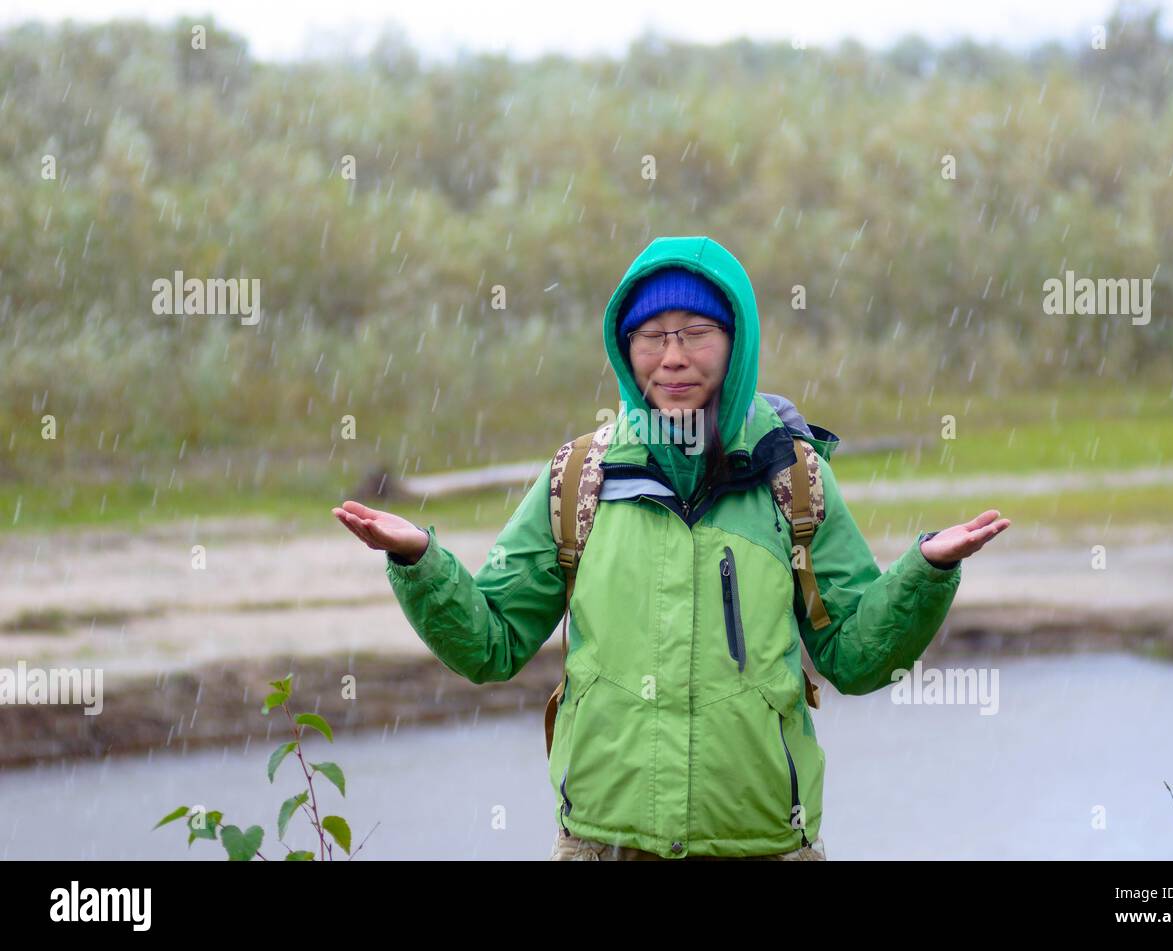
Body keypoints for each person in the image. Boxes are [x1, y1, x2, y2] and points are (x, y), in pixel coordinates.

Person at [333, 235, 1010, 860]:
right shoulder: (578, 480)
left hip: (764, 843)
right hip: (602, 843)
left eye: (696, 333)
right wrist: (420, 559)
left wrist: (926, 571)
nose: (674, 356)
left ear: (736, 340)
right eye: (651, 336)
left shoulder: (793, 479)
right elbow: (492, 642)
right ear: (624, 350)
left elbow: (857, 657)